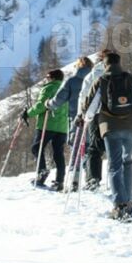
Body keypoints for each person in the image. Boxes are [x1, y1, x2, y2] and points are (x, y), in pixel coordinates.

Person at [82, 52, 132, 219]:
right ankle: (129, 201)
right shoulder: (131, 79)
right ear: (120, 62)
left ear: (105, 65)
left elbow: (90, 108)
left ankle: (119, 204)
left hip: (110, 127)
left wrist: (85, 119)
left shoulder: (101, 80)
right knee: (127, 161)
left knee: (114, 164)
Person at [48, 56, 93, 191]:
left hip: (76, 119)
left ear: (78, 66)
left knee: (76, 149)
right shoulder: (96, 78)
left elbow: (59, 99)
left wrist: (49, 104)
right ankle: (91, 179)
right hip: (94, 120)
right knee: (91, 150)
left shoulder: (72, 81)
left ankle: (74, 181)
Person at [22, 69, 68, 190]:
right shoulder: (66, 88)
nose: (46, 79)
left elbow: (41, 105)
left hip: (47, 125)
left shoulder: (49, 88)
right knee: (58, 153)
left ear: (53, 78)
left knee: (37, 148)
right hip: (62, 126)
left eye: (47, 76)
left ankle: (42, 172)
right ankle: (60, 181)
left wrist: (27, 113)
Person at [76, 49, 114, 190]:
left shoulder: (92, 75)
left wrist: (80, 114)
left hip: (96, 114)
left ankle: (93, 178)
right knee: (114, 146)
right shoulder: (119, 74)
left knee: (94, 147)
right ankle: (117, 179)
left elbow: (84, 96)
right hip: (116, 115)